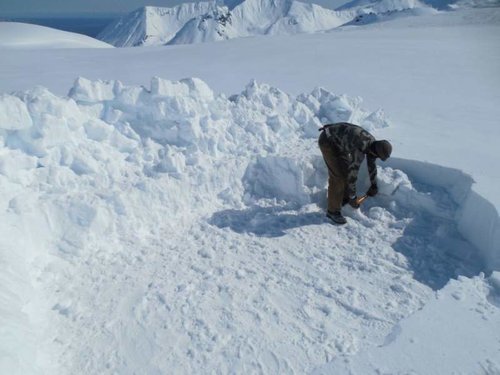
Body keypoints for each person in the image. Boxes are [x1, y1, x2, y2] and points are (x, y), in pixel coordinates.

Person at [318, 122, 392, 224]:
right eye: (377, 156)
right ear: (375, 151)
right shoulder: (360, 147)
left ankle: (342, 198)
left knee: (344, 171)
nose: (376, 158)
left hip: (339, 142)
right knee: (338, 176)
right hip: (328, 141)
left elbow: (371, 165)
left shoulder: (373, 144)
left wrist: (373, 185)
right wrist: (353, 198)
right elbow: (352, 175)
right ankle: (332, 211)